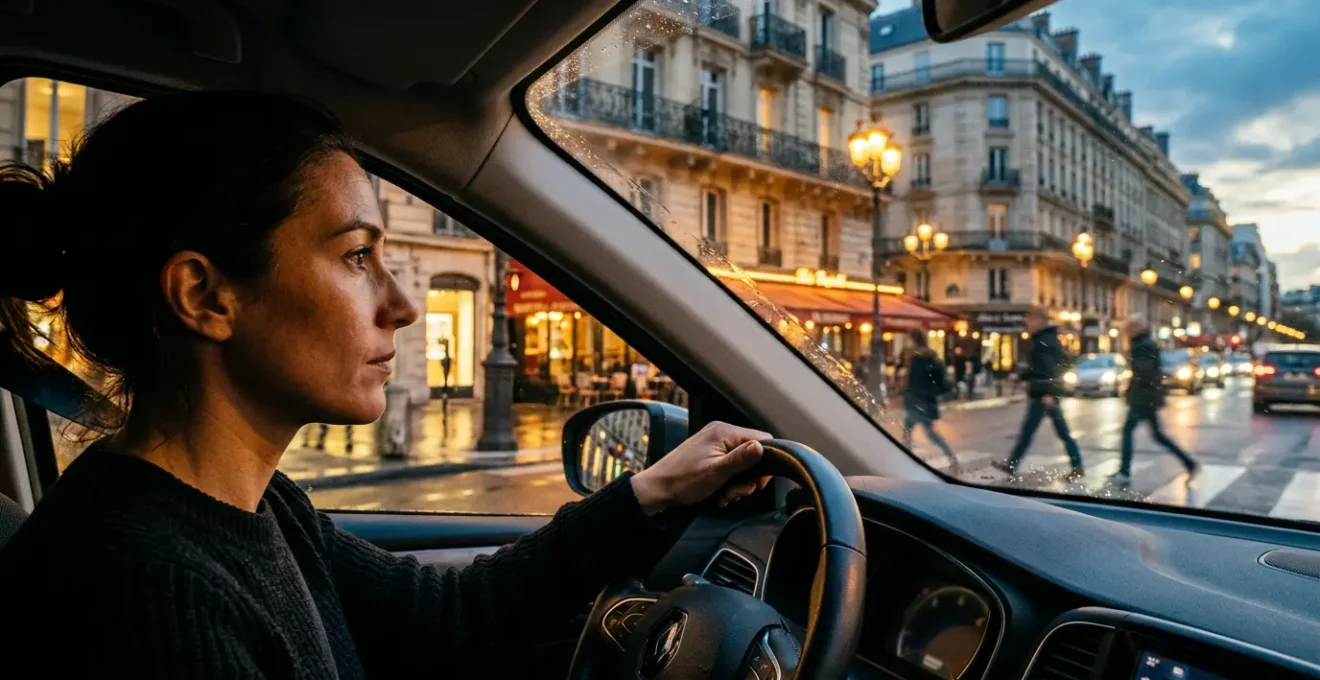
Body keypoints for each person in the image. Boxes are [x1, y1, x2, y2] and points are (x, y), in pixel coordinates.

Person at [0, 91, 772, 676]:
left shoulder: (258, 506)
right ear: (205, 296)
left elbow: (448, 616)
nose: (402, 306)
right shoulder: (143, 591)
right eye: (356, 256)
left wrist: (653, 492)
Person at [995, 310, 1085, 479]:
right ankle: (1076, 466)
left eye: (1030, 321)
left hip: (1044, 394)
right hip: (1043, 392)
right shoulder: (1045, 339)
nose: (1027, 325)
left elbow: (1049, 369)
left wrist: (1049, 392)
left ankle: (1077, 467)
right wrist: (1021, 376)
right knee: (1034, 431)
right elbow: (1039, 368)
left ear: (1039, 321)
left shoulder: (1045, 341)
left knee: (1044, 432)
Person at [1110, 315, 1199, 486]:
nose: (1126, 332)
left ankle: (1124, 472)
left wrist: (1132, 390)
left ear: (1136, 328)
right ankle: (1189, 463)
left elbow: (1144, 372)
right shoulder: (1145, 343)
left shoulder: (1141, 345)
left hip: (1143, 397)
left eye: (1128, 329)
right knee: (1157, 435)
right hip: (1147, 396)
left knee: (1129, 431)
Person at [902, 329, 959, 469]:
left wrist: (906, 395)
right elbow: (938, 379)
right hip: (928, 401)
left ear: (914, 340)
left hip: (917, 401)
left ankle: (905, 459)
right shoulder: (932, 356)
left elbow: (913, 382)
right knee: (923, 432)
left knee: (911, 431)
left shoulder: (916, 358)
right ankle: (951, 457)